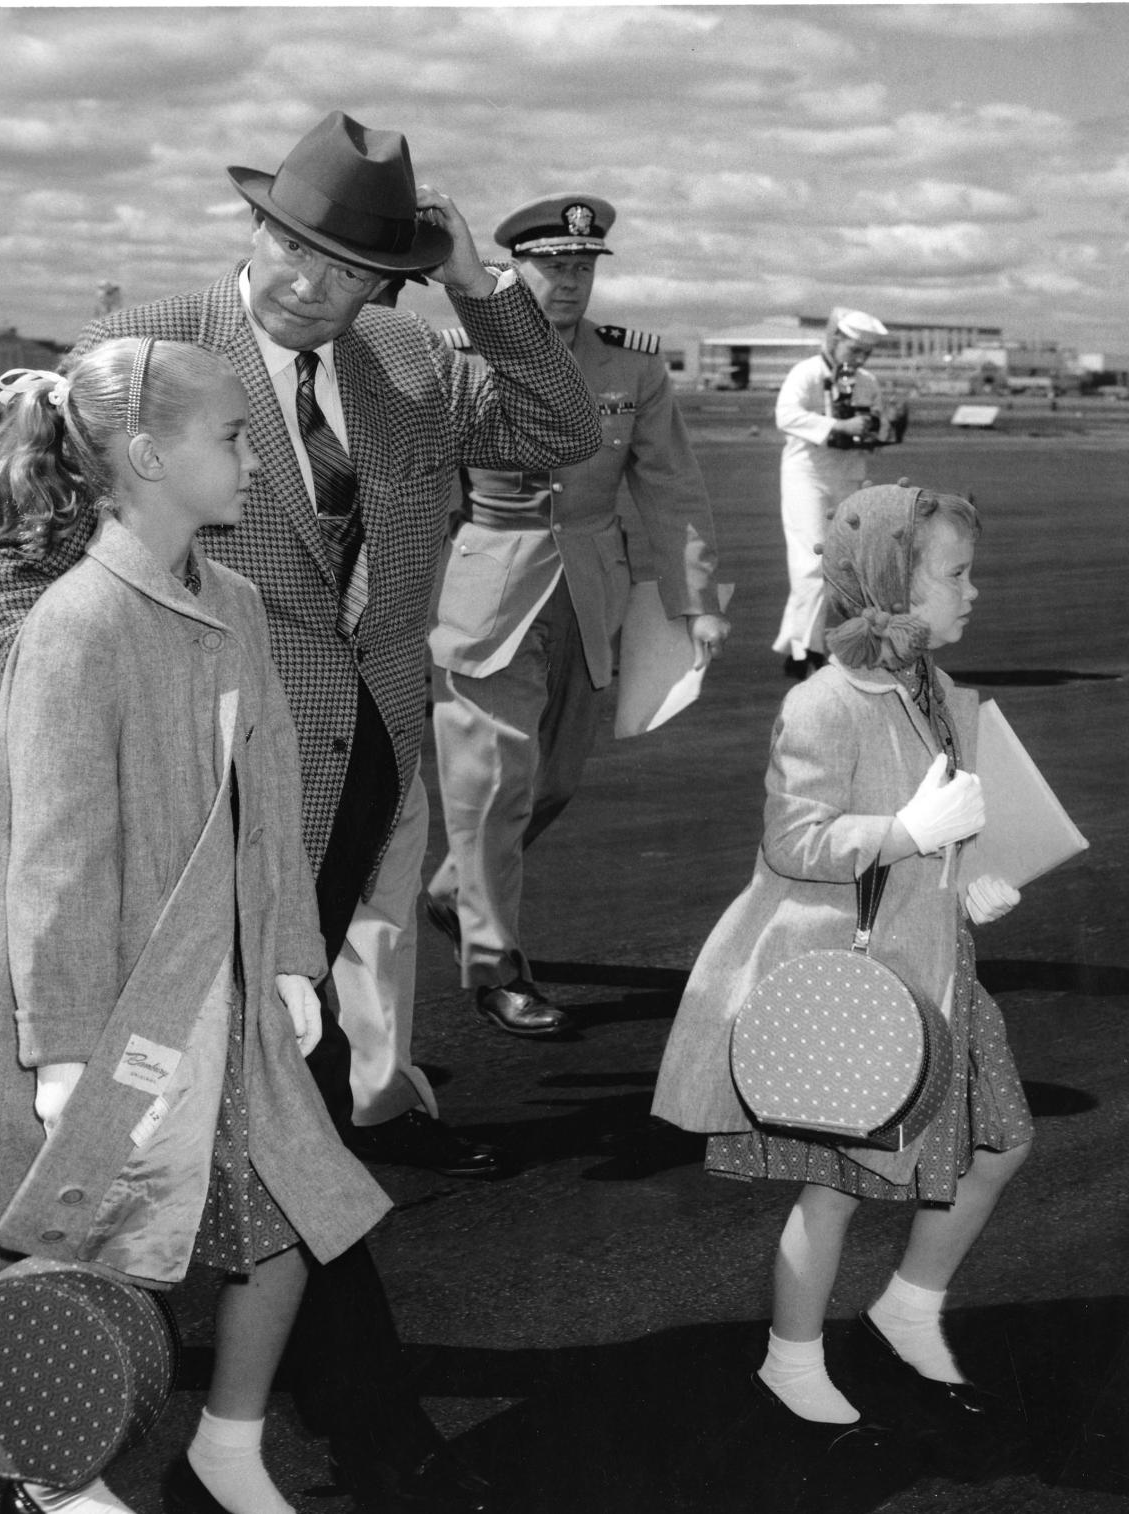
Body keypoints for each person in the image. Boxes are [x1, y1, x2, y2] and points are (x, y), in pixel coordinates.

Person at [0, 107, 600, 1512]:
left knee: (259, 1089)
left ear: (389, 277)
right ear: (254, 229)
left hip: (348, 780)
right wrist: (109, 715)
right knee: (261, 1103)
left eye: (346, 263)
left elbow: (562, 424)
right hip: (185, 806)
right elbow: (10, 560)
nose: (308, 281)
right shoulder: (153, 339)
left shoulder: (415, 360)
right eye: (289, 243)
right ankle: (328, 1412)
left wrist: (482, 289)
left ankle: (223, 1407)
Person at [0, 339, 393, 1514]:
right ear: (147, 455)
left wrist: (294, 951)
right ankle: (54, 1471)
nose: (255, 456)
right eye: (234, 438)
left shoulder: (232, 600)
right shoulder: (78, 626)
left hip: (221, 988)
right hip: (113, 1002)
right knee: (76, 1240)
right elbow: (53, 863)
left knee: (291, 1207)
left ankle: (228, 1442)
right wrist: (64, 1045)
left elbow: (274, 787)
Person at [652, 482, 1033, 1436]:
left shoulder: (938, 691)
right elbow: (797, 841)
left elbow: (957, 820)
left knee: (1001, 1142)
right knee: (837, 1188)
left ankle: (907, 1306)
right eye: (955, 574)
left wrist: (973, 870)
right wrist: (906, 831)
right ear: (893, 585)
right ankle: (791, 1357)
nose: (972, 592)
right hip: (863, 980)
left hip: (939, 960)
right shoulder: (826, 704)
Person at [425, 194, 729, 1036]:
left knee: (552, 781)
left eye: (582, 266)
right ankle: (496, 968)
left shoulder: (632, 370)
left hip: (588, 591)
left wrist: (694, 602)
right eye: (551, 264)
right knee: (495, 786)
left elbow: (672, 489)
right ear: (510, 268)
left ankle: (459, 891)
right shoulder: (459, 356)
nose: (568, 281)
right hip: (486, 591)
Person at [772, 308, 890, 680]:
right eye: (855, 350)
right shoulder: (806, 372)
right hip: (806, 474)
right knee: (811, 562)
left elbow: (877, 422)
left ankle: (794, 646)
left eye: (866, 353)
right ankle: (809, 651)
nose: (860, 359)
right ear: (835, 340)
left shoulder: (867, 381)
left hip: (848, 473)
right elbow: (786, 415)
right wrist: (838, 425)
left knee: (840, 563)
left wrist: (874, 431)